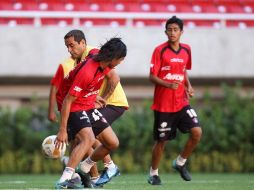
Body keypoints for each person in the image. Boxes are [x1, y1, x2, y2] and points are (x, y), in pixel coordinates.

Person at [48, 30, 128, 187]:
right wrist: (62, 129)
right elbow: (67, 100)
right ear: (113, 58)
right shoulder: (88, 71)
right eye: (120, 60)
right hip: (74, 105)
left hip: (87, 103)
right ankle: (65, 179)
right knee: (87, 139)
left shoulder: (102, 61)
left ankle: (84, 167)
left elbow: (111, 78)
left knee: (112, 143)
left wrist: (93, 96)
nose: (120, 63)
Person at [147, 16, 202, 185]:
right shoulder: (159, 50)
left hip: (182, 102)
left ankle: (180, 163)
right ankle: (153, 174)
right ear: (165, 32)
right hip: (164, 105)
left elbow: (183, 71)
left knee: (197, 132)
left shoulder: (186, 50)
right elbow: (152, 76)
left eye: (175, 30)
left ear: (181, 32)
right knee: (161, 141)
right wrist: (167, 84)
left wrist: (188, 86)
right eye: (169, 30)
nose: (172, 33)